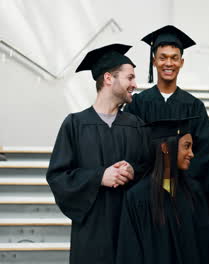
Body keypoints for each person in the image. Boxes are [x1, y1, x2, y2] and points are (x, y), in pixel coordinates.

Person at [46, 44, 149, 264]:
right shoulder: (75, 124)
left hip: (129, 232)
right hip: (92, 234)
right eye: (129, 77)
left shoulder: (137, 126)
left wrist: (134, 170)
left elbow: (149, 170)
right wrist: (98, 177)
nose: (135, 84)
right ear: (109, 78)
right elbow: (58, 177)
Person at [116, 117, 209, 264]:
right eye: (186, 146)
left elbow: (207, 247)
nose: (191, 153)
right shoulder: (137, 197)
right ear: (165, 148)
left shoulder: (194, 192)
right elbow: (130, 253)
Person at [124, 25, 209, 190]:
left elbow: (203, 154)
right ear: (154, 61)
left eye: (174, 58)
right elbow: (130, 147)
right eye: (163, 57)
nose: (168, 63)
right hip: (145, 190)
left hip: (182, 191)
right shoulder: (137, 104)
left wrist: (181, 185)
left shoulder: (195, 107)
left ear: (181, 62)